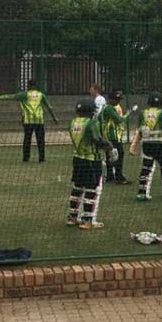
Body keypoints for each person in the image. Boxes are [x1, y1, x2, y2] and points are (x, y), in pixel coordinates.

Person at [67, 98, 115, 229]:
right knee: (92, 189)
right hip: (92, 160)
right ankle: (87, 220)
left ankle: (72, 217)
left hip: (77, 159)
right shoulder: (92, 123)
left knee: (77, 187)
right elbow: (97, 140)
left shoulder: (72, 122)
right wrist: (109, 146)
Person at [0, 79, 58, 163]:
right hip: (39, 120)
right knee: (41, 140)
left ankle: (26, 158)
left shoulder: (24, 95)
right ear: (36, 85)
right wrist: (54, 118)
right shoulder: (41, 95)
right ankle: (41, 158)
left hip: (28, 120)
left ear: (28, 85)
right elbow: (49, 107)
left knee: (27, 140)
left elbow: (11, 96)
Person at [131, 92, 162, 201]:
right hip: (160, 143)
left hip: (146, 144)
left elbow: (140, 129)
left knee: (146, 167)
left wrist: (135, 145)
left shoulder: (143, 113)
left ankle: (142, 193)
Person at [98, 89, 135, 184]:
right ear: (110, 99)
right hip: (112, 137)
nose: (118, 102)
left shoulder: (104, 108)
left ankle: (110, 176)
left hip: (106, 136)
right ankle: (119, 177)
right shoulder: (110, 108)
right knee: (119, 155)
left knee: (110, 156)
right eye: (116, 99)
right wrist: (128, 114)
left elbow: (98, 120)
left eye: (119, 99)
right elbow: (119, 120)